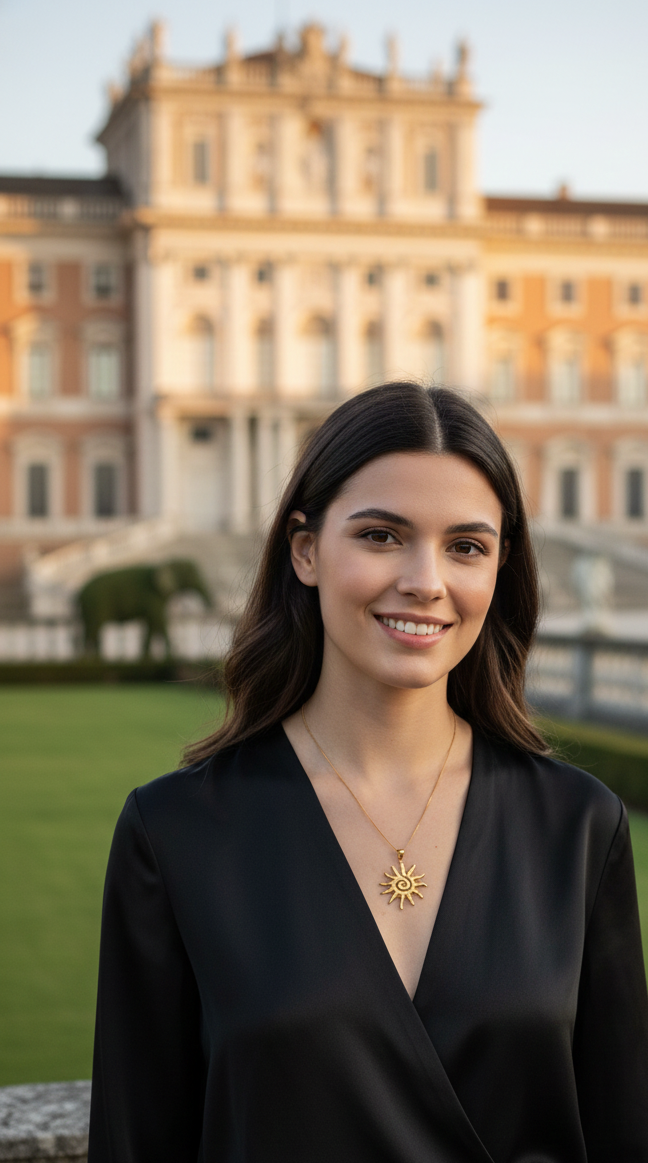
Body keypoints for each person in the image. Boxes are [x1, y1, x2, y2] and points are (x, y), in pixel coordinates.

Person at [88, 383, 648, 1163]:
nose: (426, 580)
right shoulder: (175, 833)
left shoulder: (580, 826)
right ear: (305, 549)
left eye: (466, 545)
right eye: (383, 535)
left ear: (499, 567)